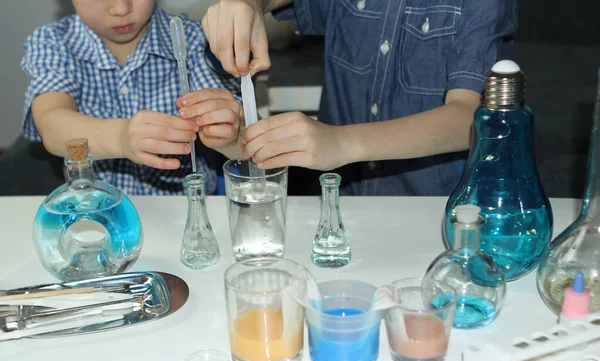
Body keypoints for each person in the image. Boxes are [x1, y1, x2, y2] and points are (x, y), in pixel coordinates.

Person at [201, 0, 518, 195]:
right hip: (336, 201)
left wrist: (342, 142)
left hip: (430, 214)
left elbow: (468, 118)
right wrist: (247, 4)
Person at [21, 0, 243, 195]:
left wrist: (231, 134)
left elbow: (245, 146)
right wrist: (121, 137)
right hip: (96, 214)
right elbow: (52, 126)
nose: (120, 9)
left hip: (183, 213)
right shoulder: (53, 42)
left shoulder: (195, 40)